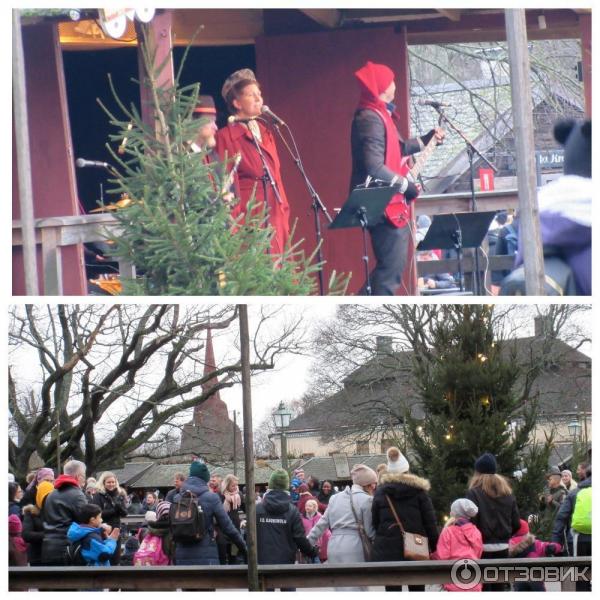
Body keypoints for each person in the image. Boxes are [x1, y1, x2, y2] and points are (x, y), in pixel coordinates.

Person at [350, 60, 445, 295]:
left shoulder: (377, 115)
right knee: (390, 271)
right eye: (392, 81)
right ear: (384, 88)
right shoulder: (370, 119)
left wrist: (426, 139)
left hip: (385, 201)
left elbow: (396, 149)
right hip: (381, 204)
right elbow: (374, 166)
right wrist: (405, 185)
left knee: (391, 269)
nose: (395, 84)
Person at [216, 68, 291, 256]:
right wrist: (236, 229)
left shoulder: (266, 131)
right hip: (251, 223)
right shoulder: (226, 137)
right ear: (237, 103)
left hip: (276, 218)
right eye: (251, 95)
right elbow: (227, 186)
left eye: (259, 94)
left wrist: (284, 211)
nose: (259, 99)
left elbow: (277, 177)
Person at [371, 447, 439, 592]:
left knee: (392, 589)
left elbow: (375, 522)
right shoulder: (419, 491)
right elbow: (430, 522)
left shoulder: (381, 492)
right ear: (407, 470)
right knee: (417, 588)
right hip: (416, 548)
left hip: (388, 550)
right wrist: (435, 546)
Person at [308, 464, 377, 591]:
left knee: (340, 587)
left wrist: (306, 543)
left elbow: (321, 524)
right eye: (373, 483)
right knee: (357, 588)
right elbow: (370, 531)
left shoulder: (335, 498)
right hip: (354, 546)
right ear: (366, 483)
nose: (374, 486)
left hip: (333, 547)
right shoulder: (367, 500)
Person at [465, 453, 521, 591]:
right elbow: (517, 524)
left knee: (483, 587)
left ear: (477, 472)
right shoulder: (507, 493)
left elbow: (471, 522)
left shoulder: (474, 493)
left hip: (481, 548)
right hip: (503, 548)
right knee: (499, 587)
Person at [173, 461, 246, 566]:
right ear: (205, 478)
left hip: (181, 558)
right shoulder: (211, 498)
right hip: (206, 558)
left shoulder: (177, 498)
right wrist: (244, 548)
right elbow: (228, 527)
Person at [255, 469, 317, 567]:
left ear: (270, 484)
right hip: (285, 566)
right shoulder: (292, 511)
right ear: (286, 486)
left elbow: (249, 538)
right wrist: (312, 552)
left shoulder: (257, 510)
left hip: (261, 564)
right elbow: (300, 538)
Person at [41, 459, 88, 565]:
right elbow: (87, 520)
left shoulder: (51, 494)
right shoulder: (77, 495)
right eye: (84, 476)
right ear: (78, 476)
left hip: (47, 547)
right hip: (67, 549)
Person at [551, 463, 591, 591]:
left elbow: (561, 518)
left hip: (577, 539)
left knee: (579, 575)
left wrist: (555, 543)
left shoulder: (574, 493)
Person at [431, 498, 483, 591]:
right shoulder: (476, 531)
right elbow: (478, 554)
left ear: (454, 513)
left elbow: (442, 557)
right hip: (473, 580)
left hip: (453, 581)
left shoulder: (448, 531)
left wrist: (431, 556)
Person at [509, 518, 562, 591]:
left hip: (517, 578)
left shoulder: (509, 546)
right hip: (535, 577)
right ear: (527, 531)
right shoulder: (535, 544)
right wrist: (558, 546)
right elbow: (549, 548)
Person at [91, 471, 128, 565]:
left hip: (116, 529)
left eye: (113, 482)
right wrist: (114, 510)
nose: (111, 484)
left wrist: (120, 507)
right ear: (103, 483)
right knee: (105, 555)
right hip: (103, 529)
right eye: (108, 482)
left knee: (116, 557)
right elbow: (97, 514)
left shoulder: (120, 494)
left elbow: (124, 513)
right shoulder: (98, 496)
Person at [21, 480, 54, 566]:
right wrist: (48, 534)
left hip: (55, 556)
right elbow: (26, 535)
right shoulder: (31, 512)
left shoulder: (57, 511)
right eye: (46, 496)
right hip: (37, 558)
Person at [217, 474, 244, 565]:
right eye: (233, 485)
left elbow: (247, 508)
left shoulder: (239, 495)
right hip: (222, 529)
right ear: (227, 485)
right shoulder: (219, 495)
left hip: (235, 529)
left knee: (234, 555)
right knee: (222, 556)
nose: (235, 487)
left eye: (236, 485)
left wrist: (245, 520)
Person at [300, 498, 331, 563]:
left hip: (317, 545)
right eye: (306, 506)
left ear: (315, 507)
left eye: (309, 506)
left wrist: (319, 545)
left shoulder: (319, 517)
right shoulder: (302, 518)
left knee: (317, 561)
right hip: (307, 543)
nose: (307, 507)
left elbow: (322, 532)